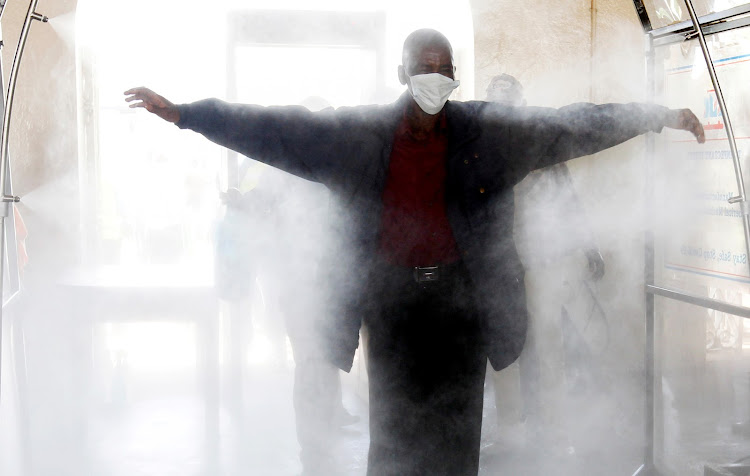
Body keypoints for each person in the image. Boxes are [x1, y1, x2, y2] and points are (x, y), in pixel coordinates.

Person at [125, 28, 704, 475]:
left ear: (456, 75)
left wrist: (657, 116)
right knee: (396, 436)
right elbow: (279, 129)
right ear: (400, 73)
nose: (435, 78)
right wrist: (187, 114)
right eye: (423, 69)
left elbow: (572, 125)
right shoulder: (361, 135)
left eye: (445, 69)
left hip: (462, 302)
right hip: (392, 303)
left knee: (457, 436)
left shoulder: (486, 133)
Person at [485, 73, 608, 456]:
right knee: (505, 349)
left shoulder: (539, 139)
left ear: (521, 101)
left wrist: (589, 248)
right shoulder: (480, 146)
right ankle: (510, 435)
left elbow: (567, 197)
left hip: (543, 261)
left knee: (548, 347)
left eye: (510, 96)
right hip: (500, 264)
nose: (505, 103)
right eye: (497, 97)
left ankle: (555, 435)